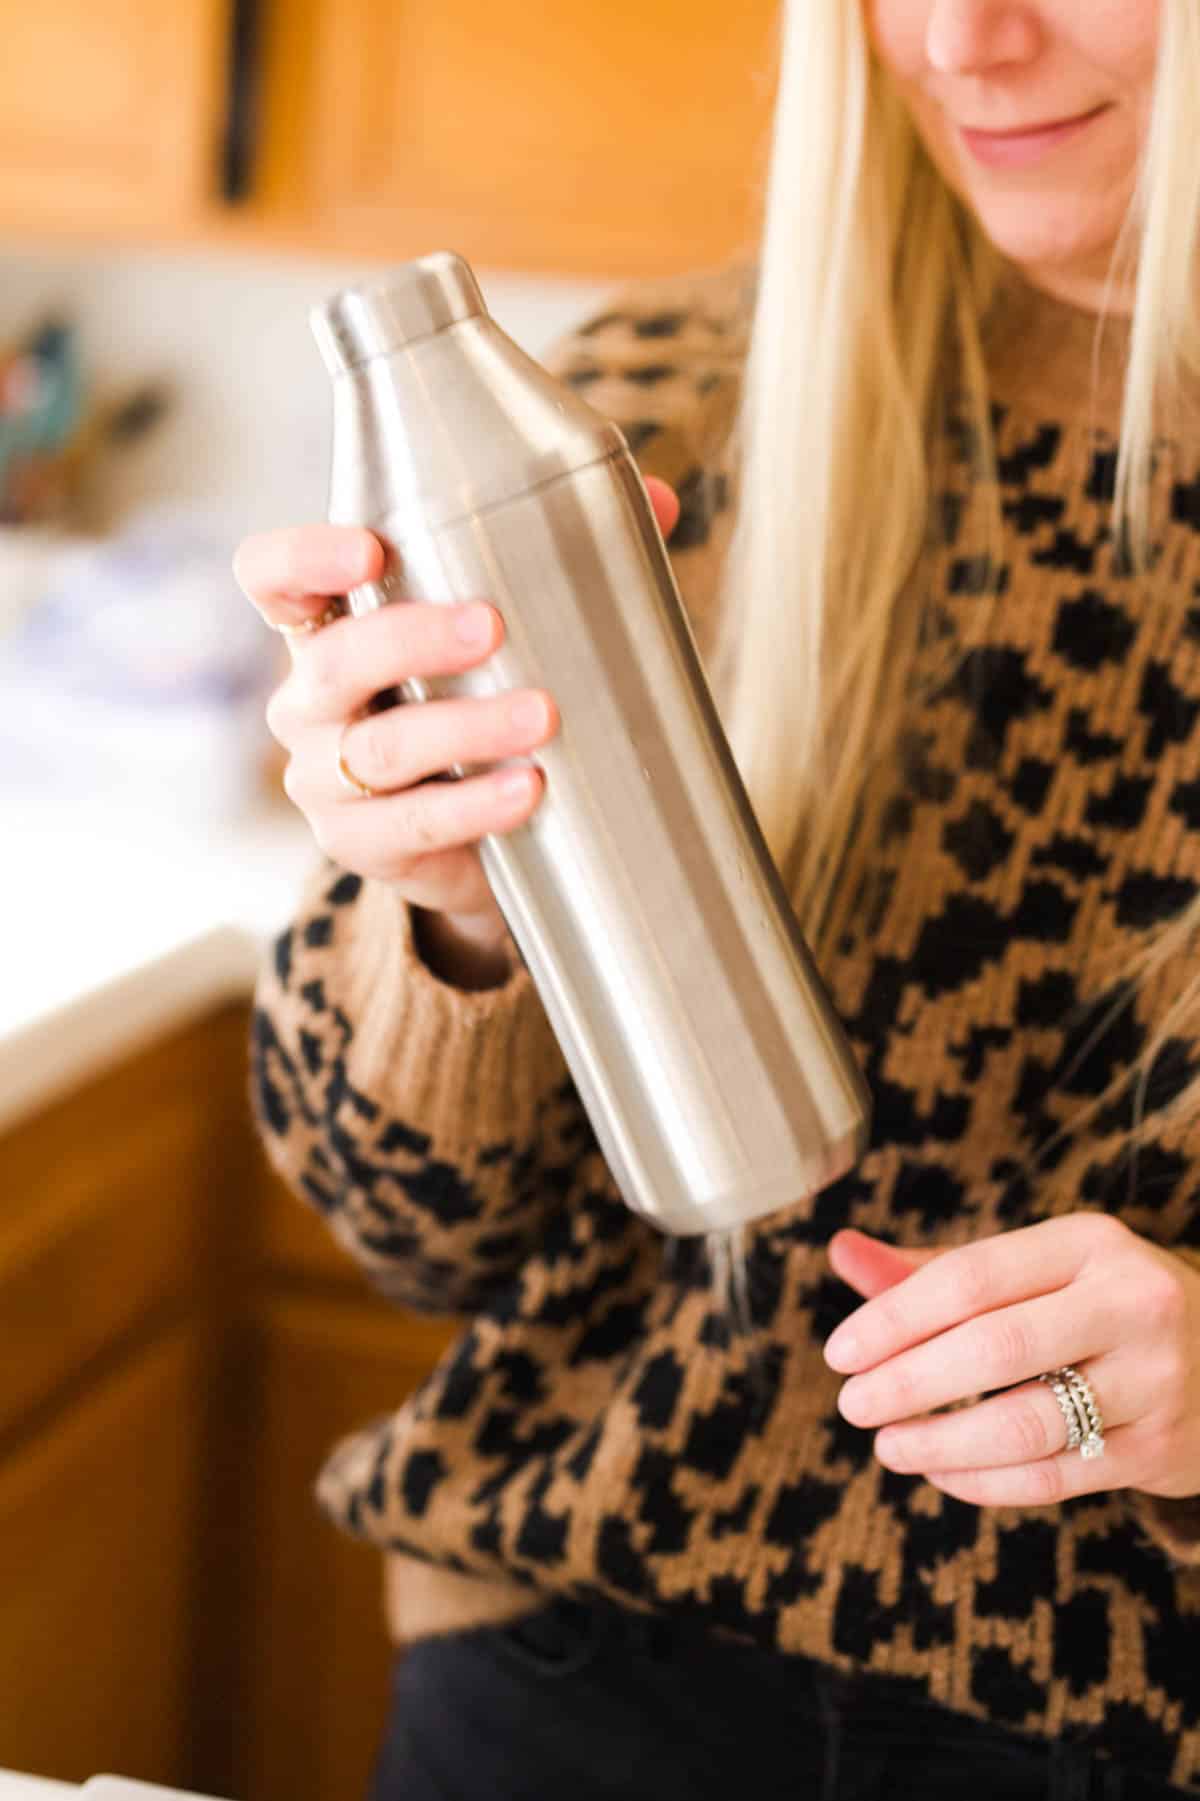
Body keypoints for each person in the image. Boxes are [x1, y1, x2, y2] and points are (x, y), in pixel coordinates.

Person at [236, 2, 1200, 1795]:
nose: (959, 40)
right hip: (572, 1670)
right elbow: (408, 1233)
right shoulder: (653, 404)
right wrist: (448, 909)